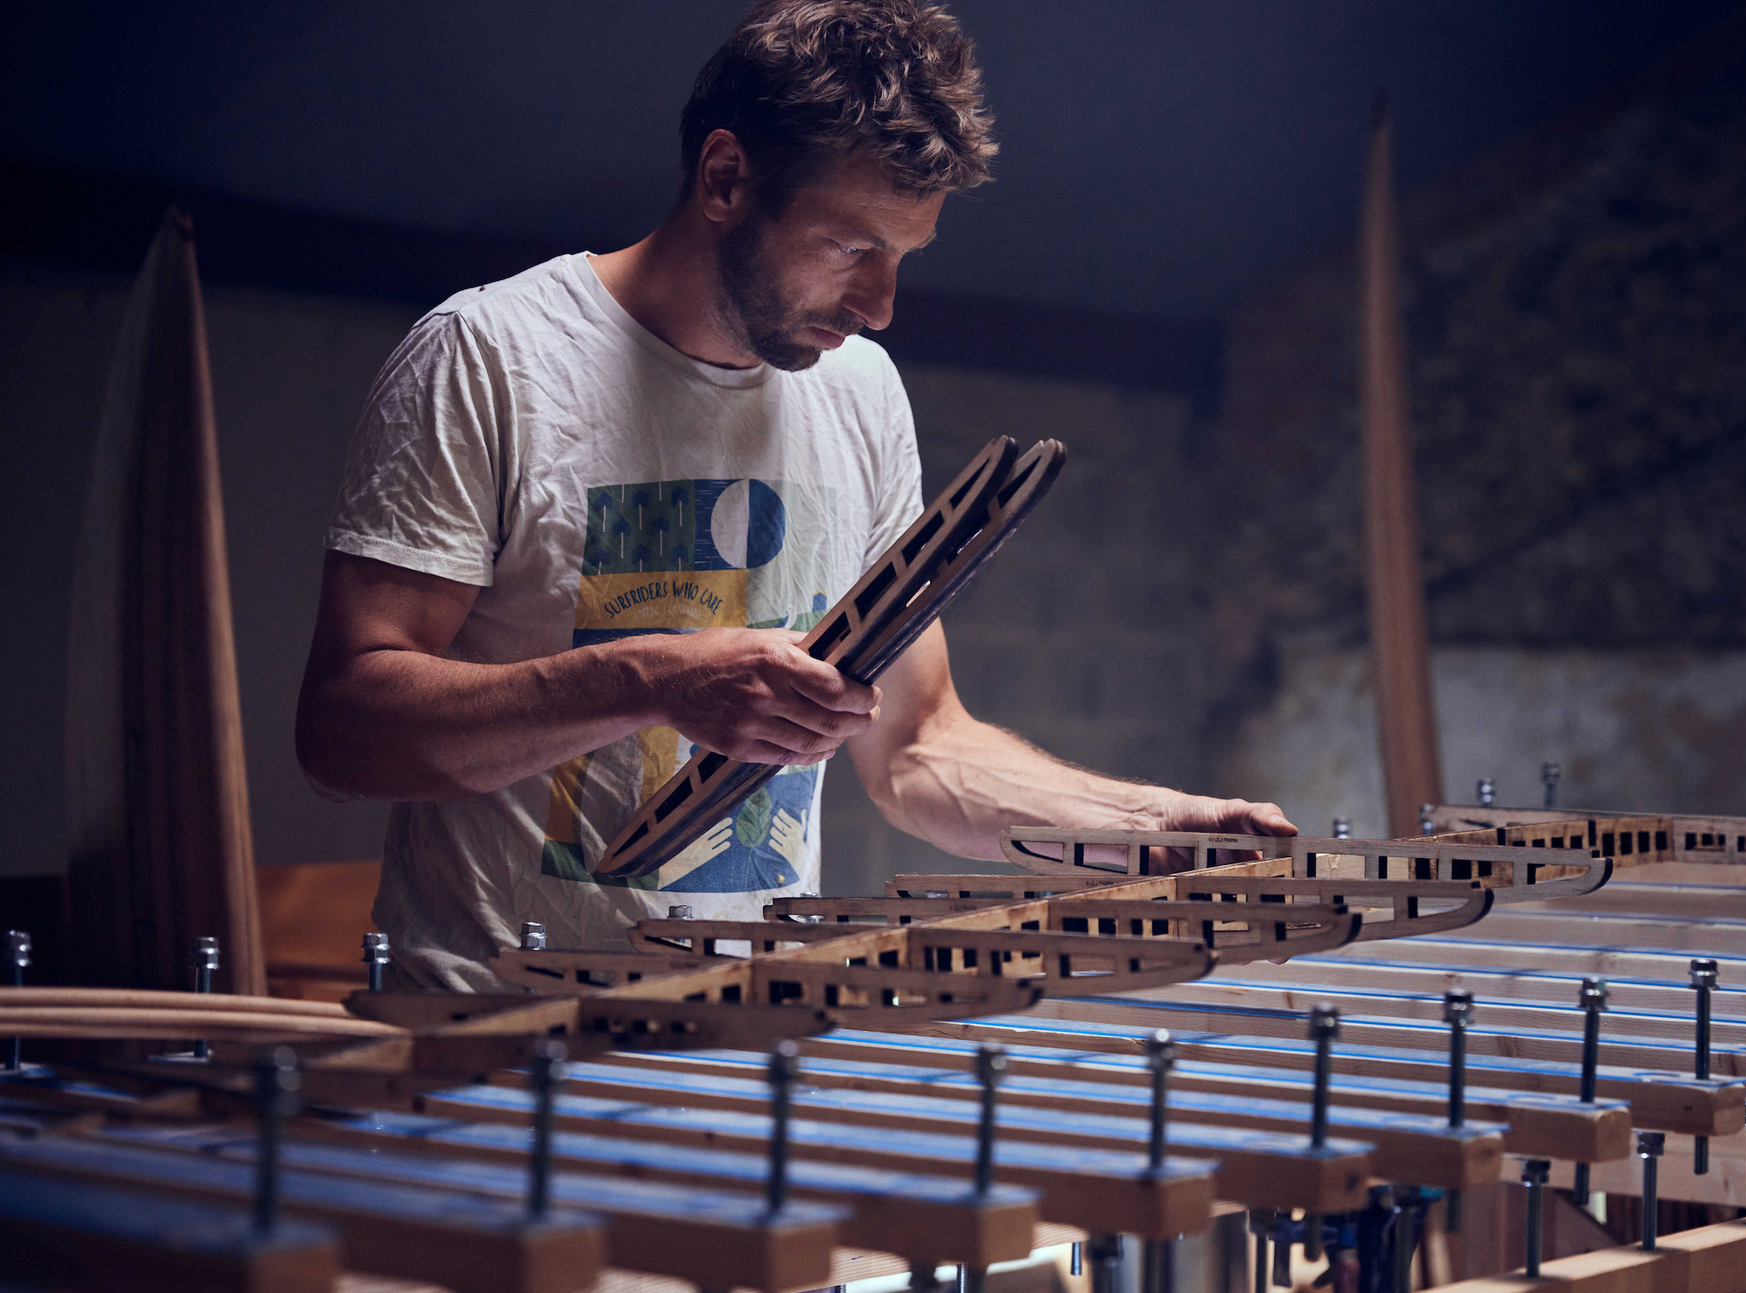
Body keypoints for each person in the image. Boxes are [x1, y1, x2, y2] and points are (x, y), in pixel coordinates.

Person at [297, 0, 1294, 992]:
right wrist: (648, 678)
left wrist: (1138, 827)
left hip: (739, 1038)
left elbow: (914, 747)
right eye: (852, 247)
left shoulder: (858, 390)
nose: (879, 306)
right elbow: (344, 735)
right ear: (726, 178)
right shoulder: (487, 357)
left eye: (901, 258)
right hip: (484, 1049)